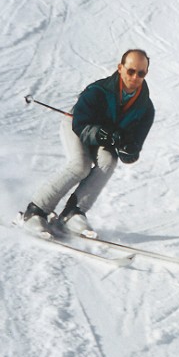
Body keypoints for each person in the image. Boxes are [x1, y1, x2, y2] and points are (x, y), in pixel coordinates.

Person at [23, 49, 155, 236]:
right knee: (80, 165)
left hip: (104, 137)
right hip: (76, 125)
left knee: (109, 162)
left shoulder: (146, 109)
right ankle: (35, 211)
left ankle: (72, 213)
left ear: (146, 74)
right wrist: (102, 134)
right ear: (120, 68)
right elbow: (80, 124)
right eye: (131, 71)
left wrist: (128, 150)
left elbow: (133, 149)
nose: (135, 77)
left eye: (141, 73)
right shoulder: (98, 91)